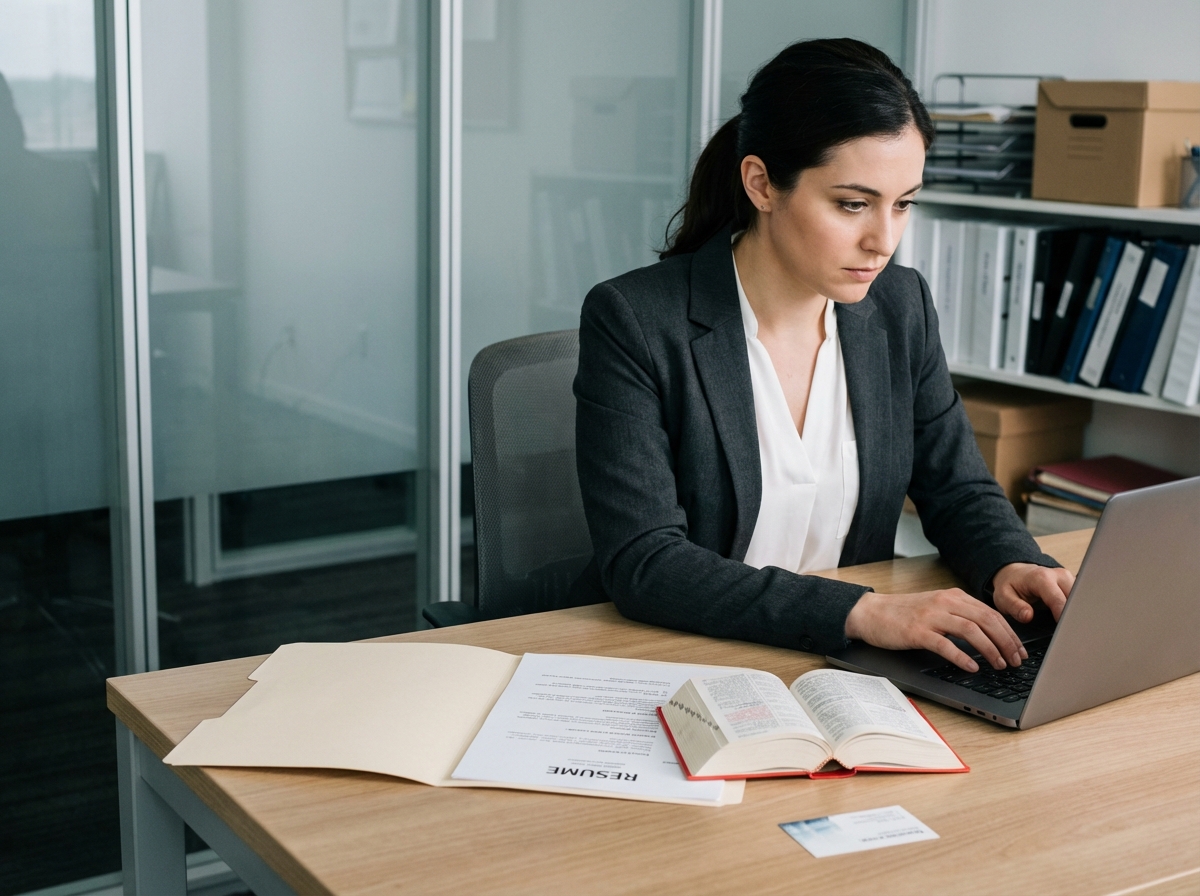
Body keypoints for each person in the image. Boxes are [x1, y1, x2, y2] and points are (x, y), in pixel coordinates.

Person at [568, 39, 1075, 674]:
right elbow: (646, 562)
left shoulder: (899, 306)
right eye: (852, 204)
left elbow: (958, 488)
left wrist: (1012, 561)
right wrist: (861, 612)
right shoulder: (636, 320)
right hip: (679, 656)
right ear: (761, 184)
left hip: (840, 670)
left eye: (904, 204)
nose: (883, 240)